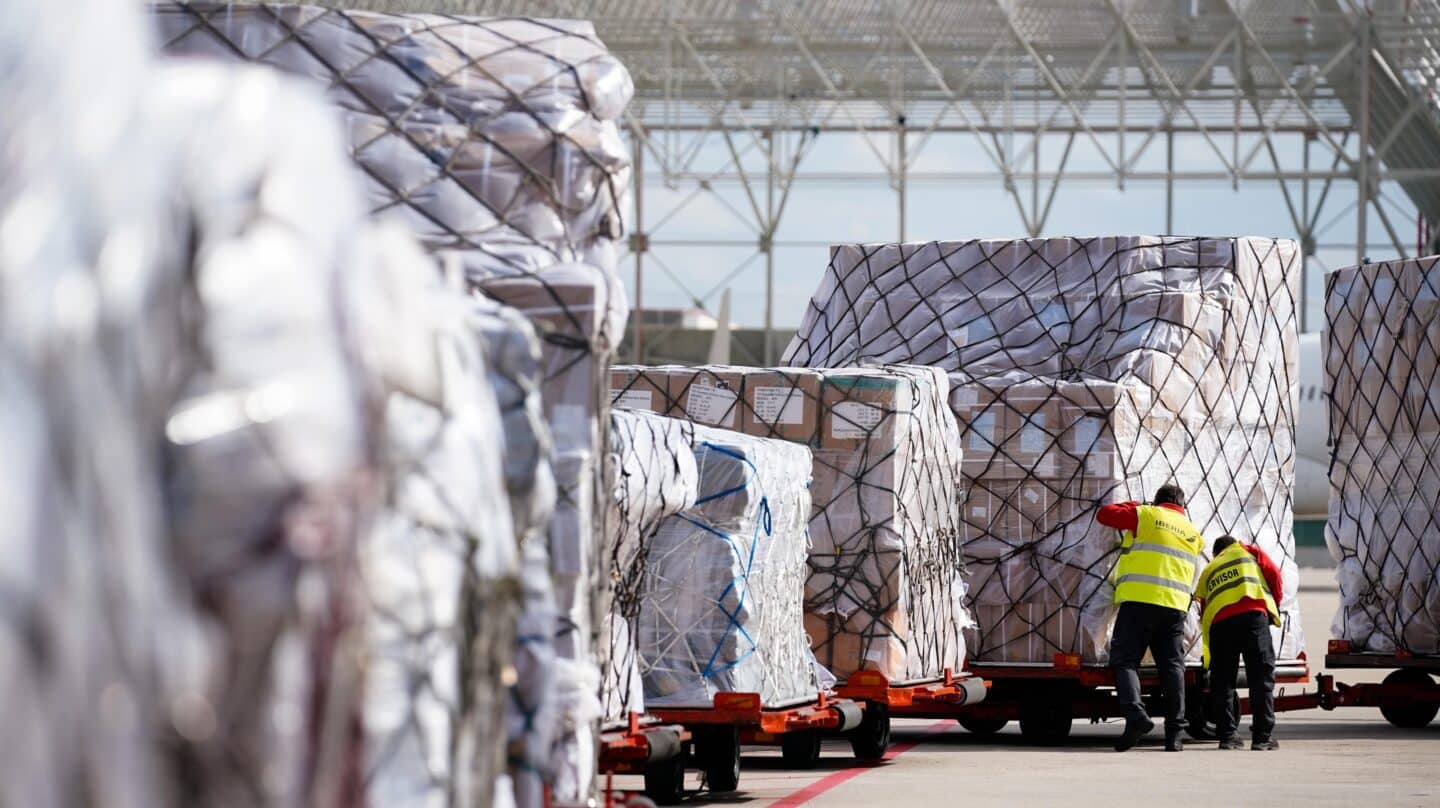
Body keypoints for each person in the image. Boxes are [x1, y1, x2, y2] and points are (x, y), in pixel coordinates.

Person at [1096, 483, 1204, 752]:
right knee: (1172, 669)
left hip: (1141, 601)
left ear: (1157, 502)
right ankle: (1174, 735)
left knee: (1125, 661)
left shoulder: (1146, 515)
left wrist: (1135, 504)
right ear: (1182, 506)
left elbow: (1105, 514)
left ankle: (1135, 717)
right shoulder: (1193, 533)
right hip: (1175, 608)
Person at [1197, 535, 1283, 751]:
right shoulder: (1248, 552)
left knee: (1223, 681)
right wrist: (1273, 605)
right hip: (1252, 617)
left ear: (1216, 553)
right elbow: (1274, 575)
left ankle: (1227, 737)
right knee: (1260, 678)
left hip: (1220, 625)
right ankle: (1262, 738)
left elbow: (1204, 607)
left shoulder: (1210, 568)